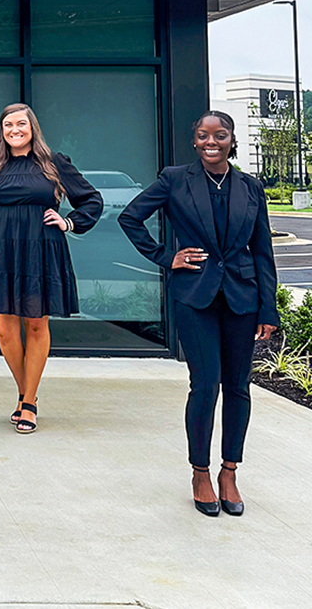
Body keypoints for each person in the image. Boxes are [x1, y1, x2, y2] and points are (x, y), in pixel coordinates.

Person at [118, 110, 279, 517]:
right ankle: (201, 472)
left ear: (231, 140)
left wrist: (269, 308)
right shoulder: (175, 179)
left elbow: (263, 251)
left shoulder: (250, 187)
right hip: (195, 297)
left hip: (242, 298)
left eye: (220, 135)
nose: (211, 141)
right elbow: (130, 217)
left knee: (238, 387)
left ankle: (230, 471)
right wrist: (166, 256)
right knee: (205, 385)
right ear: (195, 141)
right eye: (204, 135)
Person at [0, 103, 103, 434]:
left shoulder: (53, 163)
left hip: (40, 250)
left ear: (33, 127)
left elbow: (91, 200)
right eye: (8, 125)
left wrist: (69, 222)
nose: (15, 130)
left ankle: (28, 403)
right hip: (0, 253)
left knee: (34, 325)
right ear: (1, 131)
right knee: (4, 331)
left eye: (21, 124)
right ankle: (24, 392)